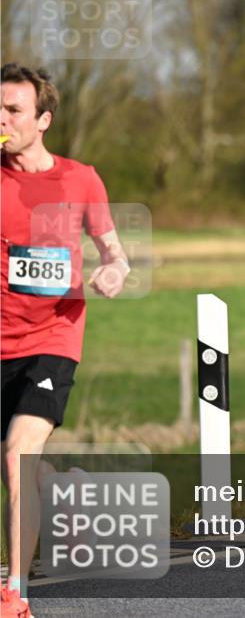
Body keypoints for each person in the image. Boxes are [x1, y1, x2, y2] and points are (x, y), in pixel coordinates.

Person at [1, 63, 129, 617]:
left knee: (18, 454)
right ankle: (66, 495)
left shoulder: (80, 180)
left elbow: (114, 252)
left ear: (43, 120)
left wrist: (114, 271)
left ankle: (15, 594)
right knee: (19, 466)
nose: (1, 119)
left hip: (54, 336)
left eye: (13, 110)